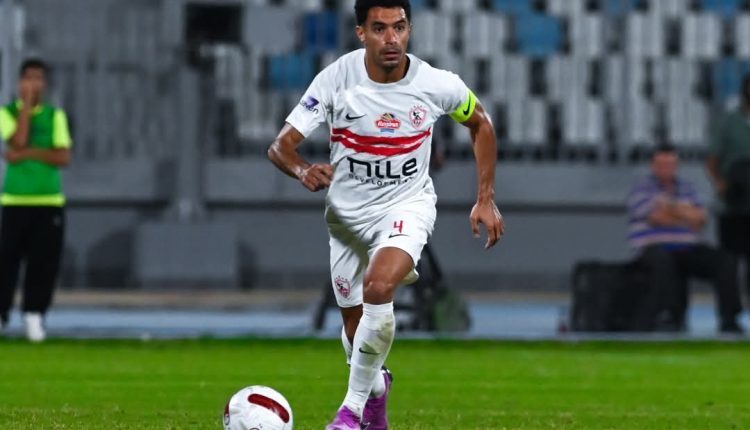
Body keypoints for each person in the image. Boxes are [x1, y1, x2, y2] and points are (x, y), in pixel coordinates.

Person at [267, 1, 504, 428]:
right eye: (379, 28)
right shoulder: (336, 80)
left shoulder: (435, 84)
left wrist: (484, 197)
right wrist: (302, 170)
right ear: (361, 32)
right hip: (347, 220)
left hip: (407, 206)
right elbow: (281, 146)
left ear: (409, 29)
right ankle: (377, 390)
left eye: (399, 27)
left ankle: (349, 412)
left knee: (379, 287)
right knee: (356, 332)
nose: (391, 38)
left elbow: (481, 123)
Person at [627, 143, 743, 333]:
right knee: (664, 260)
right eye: (661, 165)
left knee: (726, 260)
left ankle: (729, 320)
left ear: (676, 165)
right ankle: (669, 317)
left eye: (670, 164)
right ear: (653, 166)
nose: (666, 169)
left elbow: (701, 219)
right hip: (654, 247)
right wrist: (685, 212)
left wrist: (669, 207)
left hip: (687, 247)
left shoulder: (688, 187)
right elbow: (656, 217)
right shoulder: (642, 188)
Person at [0, 58, 72, 342]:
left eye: (38, 79)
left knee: (43, 263)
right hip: (15, 200)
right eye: (28, 78)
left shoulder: (55, 116)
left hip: (48, 200)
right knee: (7, 261)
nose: (33, 84)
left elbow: (62, 156)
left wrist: (28, 154)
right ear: (20, 82)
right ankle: (2, 314)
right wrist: (26, 109)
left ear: (45, 84)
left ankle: (34, 315)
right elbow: (17, 140)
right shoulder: (6, 113)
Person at [707, 74, 750, 300]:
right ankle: (729, 311)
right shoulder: (728, 122)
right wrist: (720, 184)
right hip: (733, 201)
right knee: (729, 259)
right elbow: (713, 158)